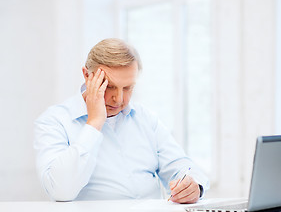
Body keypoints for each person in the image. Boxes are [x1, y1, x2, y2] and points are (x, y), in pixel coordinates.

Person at [34, 38, 209, 203]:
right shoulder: (54, 121)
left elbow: (180, 166)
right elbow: (61, 191)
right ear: (87, 76)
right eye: (109, 86)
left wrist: (194, 186)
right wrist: (94, 123)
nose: (118, 99)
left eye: (127, 88)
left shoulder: (145, 119)